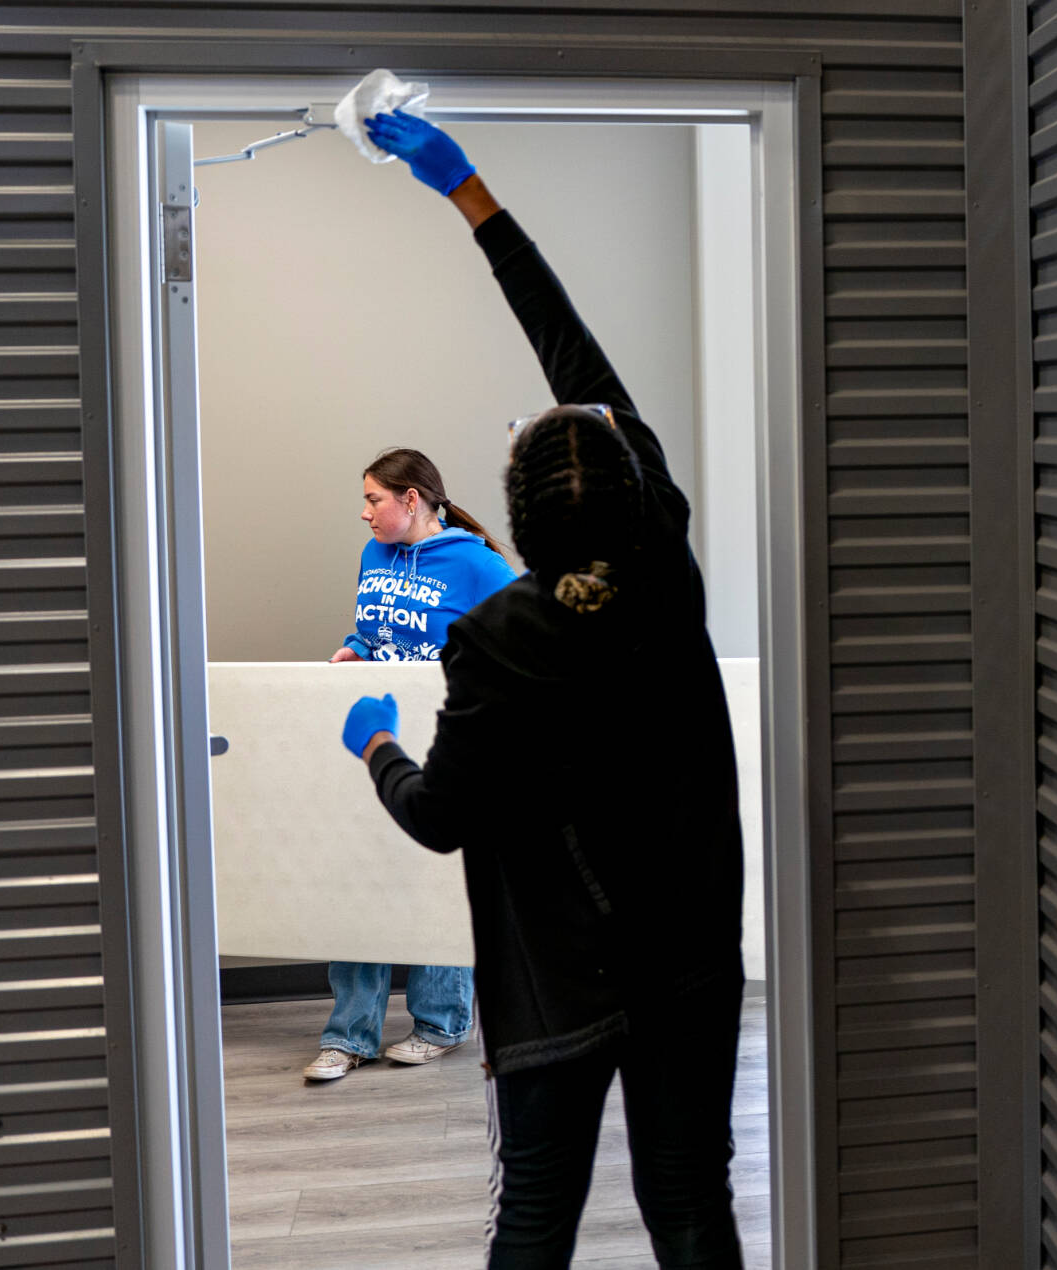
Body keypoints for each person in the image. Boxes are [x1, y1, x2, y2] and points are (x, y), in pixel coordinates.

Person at [338, 111, 746, 1269]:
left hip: (555, 976)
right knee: (689, 1199)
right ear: (637, 493)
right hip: (685, 957)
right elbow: (577, 358)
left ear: (516, 523)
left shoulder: (497, 636)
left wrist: (375, 746)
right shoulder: (665, 570)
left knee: (534, 1215)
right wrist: (468, 188)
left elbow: (439, 815)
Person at [306, 448, 517, 1082]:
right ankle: (350, 1034)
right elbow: (374, 631)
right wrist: (355, 648)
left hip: (445, 742)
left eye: (374, 499)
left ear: (412, 499)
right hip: (378, 737)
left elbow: (516, 644)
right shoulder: (375, 555)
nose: (365, 512)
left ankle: (441, 1024)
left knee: (436, 879)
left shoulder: (479, 565)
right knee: (358, 875)